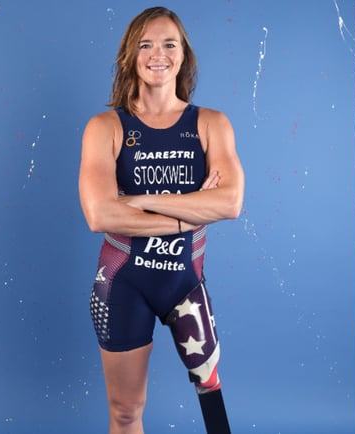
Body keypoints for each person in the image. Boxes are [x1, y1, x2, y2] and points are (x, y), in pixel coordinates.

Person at [78, 7, 244, 434]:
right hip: (123, 283)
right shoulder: (105, 127)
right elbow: (99, 213)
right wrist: (186, 212)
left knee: (211, 394)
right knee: (126, 413)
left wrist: (142, 199)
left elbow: (229, 203)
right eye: (146, 44)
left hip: (184, 282)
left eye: (170, 43)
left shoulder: (210, 123)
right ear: (130, 56)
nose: (158, 53)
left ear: (183, 54)